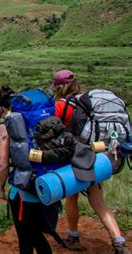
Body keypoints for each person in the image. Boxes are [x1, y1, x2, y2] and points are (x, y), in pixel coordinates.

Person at [51, 70, 128, 254]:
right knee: (98, 201)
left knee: (72, 196)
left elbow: (54, 130)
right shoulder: (87, 101)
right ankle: (118, 241)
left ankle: (73, 236)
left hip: (78, 157)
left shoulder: (62, 104)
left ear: (58, 86)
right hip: (99, 154)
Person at [0, 86, 56, 254]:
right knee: (39, 237)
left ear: (1, 108)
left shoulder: (7, 127)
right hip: (49, 187)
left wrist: (1, 187)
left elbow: (2, 164)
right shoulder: (38, 121)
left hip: (23, 193)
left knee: (26, 241)